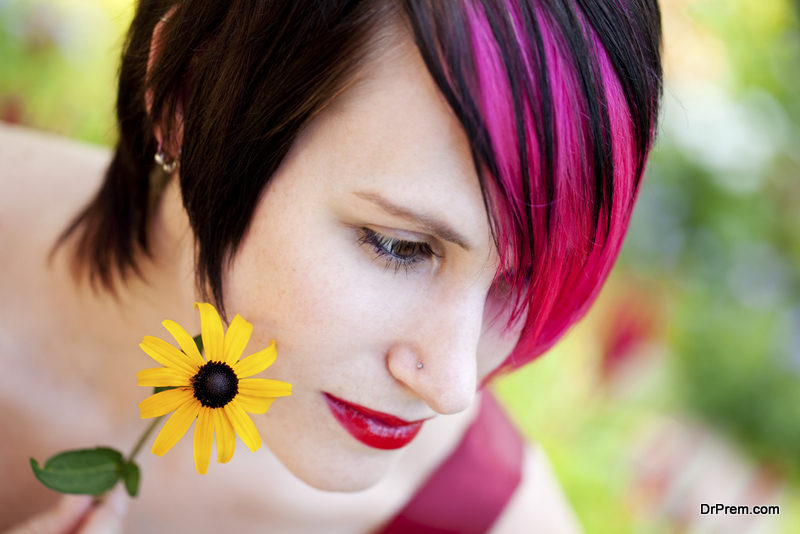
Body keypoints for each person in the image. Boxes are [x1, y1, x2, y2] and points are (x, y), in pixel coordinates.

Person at [0, 0, 662, 532]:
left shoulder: (478, 515)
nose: (453, 387)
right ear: (188, 96)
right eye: (400, 246)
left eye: (518, 280)